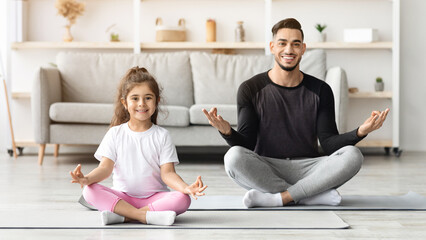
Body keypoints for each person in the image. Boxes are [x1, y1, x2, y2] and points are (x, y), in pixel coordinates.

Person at [203, 18, 389, 208]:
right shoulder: (250, 88)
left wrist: (361, 132)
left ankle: (281, 198)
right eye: (282, 43)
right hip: (267, 167)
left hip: (309, 167)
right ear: (272, 47)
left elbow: (329, 143)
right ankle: (309, 195)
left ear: (303, 49)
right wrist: (227, 132)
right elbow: (247, 145)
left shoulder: (321, 89)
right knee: (232, 157)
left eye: (295, 44)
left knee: (353, 155)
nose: (289, 50)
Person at [70, 67, 207, 225]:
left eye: (148, 98)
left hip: (155, 198)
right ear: (125, 103)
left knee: (183, 199)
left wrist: (186, 187)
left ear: (157, 101)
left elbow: (168, 174)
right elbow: (104, 169)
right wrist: (87, 179)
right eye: (135, 98)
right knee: (89, 191)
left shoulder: (162, 136)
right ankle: (146, 216)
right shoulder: (115, 134)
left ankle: (124, 216)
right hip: (123, 197)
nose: (141, 104)